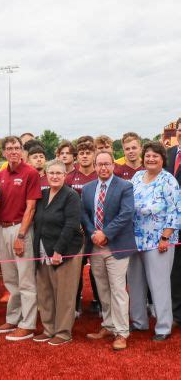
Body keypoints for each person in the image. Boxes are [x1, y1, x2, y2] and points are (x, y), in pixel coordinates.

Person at [82, 151, 137, 350]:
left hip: (116, 246)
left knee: (118, 290)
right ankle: (108, 324)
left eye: (107, 164)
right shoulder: (88, 188)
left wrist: (105, 234)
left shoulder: (125, 186)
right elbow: (85, 214)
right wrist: (93, 233)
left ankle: (122, 332)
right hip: (95, 246)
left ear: (113, 165)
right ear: (95, 166)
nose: (103, 168)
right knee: (103, 290)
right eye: (100, 164)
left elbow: (126, 214)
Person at [128, 141, 179, 341]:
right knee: (135, 282)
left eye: (155, 156)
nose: (150, 159)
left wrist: (166, 237)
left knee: (159, 285)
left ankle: (164, 327)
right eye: (148, 156)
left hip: (159, 241)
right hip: (135, 239)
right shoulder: (137, 177)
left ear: (162, 159)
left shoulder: (169, 180)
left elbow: (176, 211)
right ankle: (139, 322)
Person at [0, 136, 41, 341]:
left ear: (23, 151)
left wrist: (21, 235)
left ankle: (28, 324)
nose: (13, 151)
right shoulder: (1, 174)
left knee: (26, 280)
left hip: (21, 229)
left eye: (17, 148)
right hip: (3, 228)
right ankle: (13, 318)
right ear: (4, 152)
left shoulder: (30, 173)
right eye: (9, 148)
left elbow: (31, 207)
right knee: (11, 279)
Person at [33, 159, 83, 345]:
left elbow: (71, 225)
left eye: (58, 173)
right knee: (45, 292)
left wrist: (58, 251)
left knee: (64, 293)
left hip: (66, 250)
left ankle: (63, 332)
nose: (54, 176)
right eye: (51, 173)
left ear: (65, 176)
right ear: (46, 175)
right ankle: (48, 328)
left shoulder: (71, 195)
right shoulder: (43, 195)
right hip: (43, 249)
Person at [65, 139, 100, 317]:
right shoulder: (70, 177)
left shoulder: (100, 175)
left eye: (88, 153)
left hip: (96, 230)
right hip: (76, 231)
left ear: (94, 155)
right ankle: (75, 302)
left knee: (97, 269)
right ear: (77, 156)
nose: (85, 156)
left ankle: (100, 302)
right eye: (81, 153)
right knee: (76, 268)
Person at [165, 118, 181, 326]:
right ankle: (177, 314)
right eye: (180, 129)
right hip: (171, 223)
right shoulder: (167, 155)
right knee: (175, 269)